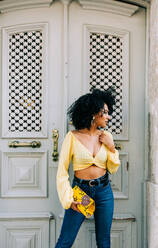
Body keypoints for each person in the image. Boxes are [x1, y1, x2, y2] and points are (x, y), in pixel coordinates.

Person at [55, 89, 120, 248]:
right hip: (81, 192)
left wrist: (111, 148)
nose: (108, 116)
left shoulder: (106, 136)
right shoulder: (72, 137)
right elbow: (62, 172)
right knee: (65, 241)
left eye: (108, 112)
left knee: (104, 242)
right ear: (93, 113)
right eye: (104, 112)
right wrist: (69, 199)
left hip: (104, 191)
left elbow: (113, 168)